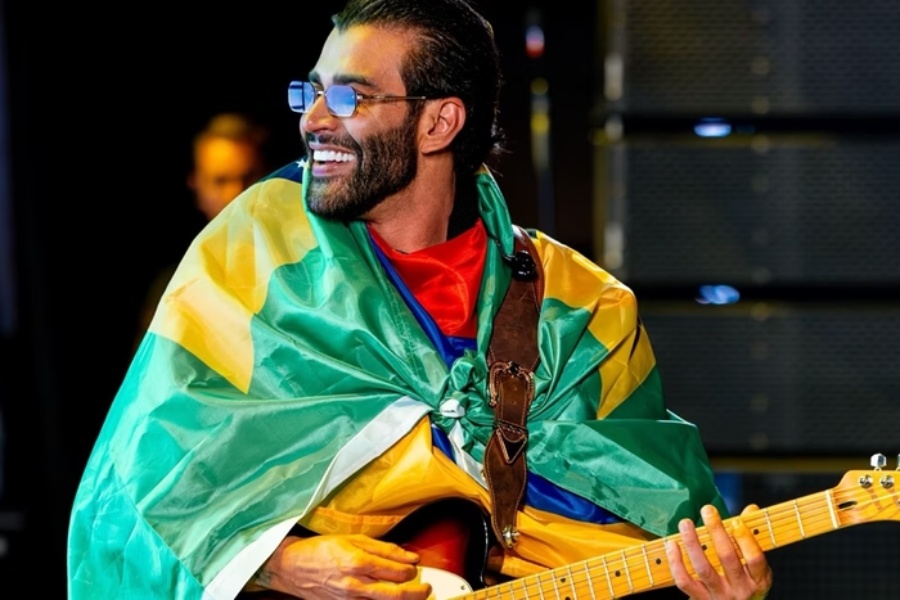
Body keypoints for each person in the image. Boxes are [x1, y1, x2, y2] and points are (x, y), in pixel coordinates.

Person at [67, 1, 773, 598]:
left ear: (439, 123)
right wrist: (279, 566)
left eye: (349, 97)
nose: (313, 120)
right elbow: (137, 497)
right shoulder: (259, 254)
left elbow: (647, 532)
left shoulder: (582, 308)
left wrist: (721, 591)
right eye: (310, 92)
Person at [135, 112, 271, 339]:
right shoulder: (173, 287)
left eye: (248, 178)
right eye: (220, 181)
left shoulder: (298, 271)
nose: (236, 194)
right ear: (196, 185)